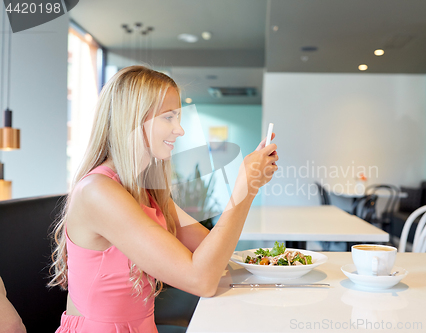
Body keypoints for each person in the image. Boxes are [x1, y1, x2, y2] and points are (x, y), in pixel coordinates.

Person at [48, 66, 278, 332]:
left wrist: (251, 185)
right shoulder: (99, 192)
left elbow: (212, 254)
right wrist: (245, 188)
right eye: (169, 117)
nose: (179, 130)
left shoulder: (146, 191)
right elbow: (201, 280)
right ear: (133, 119)